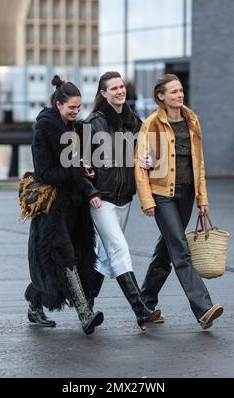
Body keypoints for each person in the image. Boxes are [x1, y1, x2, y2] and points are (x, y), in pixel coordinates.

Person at [135, 74, 224, 329]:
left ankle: (145, 303)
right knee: (181, 252)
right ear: (160, 96)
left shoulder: (192, 120)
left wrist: (202, 198)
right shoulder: (151, 124)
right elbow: (140, 166)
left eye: (181, 90)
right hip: (163, 196)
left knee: (166, 252)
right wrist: (147, 200)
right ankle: (204, 309)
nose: (179, 94)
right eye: (173, 91)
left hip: (186, 194)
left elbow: (199, 163)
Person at [82, 71, 161, 331]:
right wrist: (89, 185)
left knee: (105, 256)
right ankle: (140, 309)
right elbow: (79, 162)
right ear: (103, 93)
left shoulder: (134, 122)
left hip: (124, 198)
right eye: (113, 88)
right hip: (100, 199)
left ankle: (86, 307)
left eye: (121, 87)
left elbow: (145, 155)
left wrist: (149, 161)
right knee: (118, 249)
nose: (119, 91)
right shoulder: (92, 123)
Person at [24, 75, 104, 335]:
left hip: (74, 205)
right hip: (52, 207)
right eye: (72, 107)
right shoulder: (45, 130)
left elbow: (76, 165)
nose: (76, 111)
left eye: (79, 107)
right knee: (65, 256)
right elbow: (45, 173)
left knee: (66, 259)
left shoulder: (74, 129)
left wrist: (83, 170)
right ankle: (85, 315)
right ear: (58, 104)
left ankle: (34, 305)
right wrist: (74, 170)